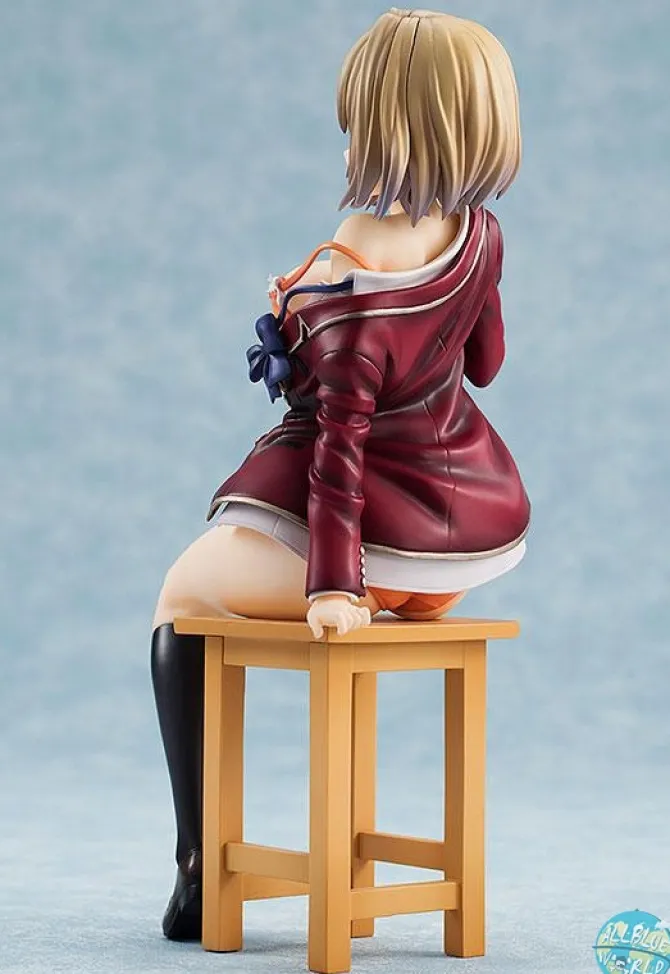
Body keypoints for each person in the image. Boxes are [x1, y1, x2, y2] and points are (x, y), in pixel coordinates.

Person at [150, 7, 531, 941]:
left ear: (385, 122)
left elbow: (338, 448)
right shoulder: (480, 234)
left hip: (365, 543)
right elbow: (485, 365)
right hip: (462, 545)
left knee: (178, 599)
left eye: (357, 116)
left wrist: (332, 586)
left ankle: (195, 863)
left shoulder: (348, 260)